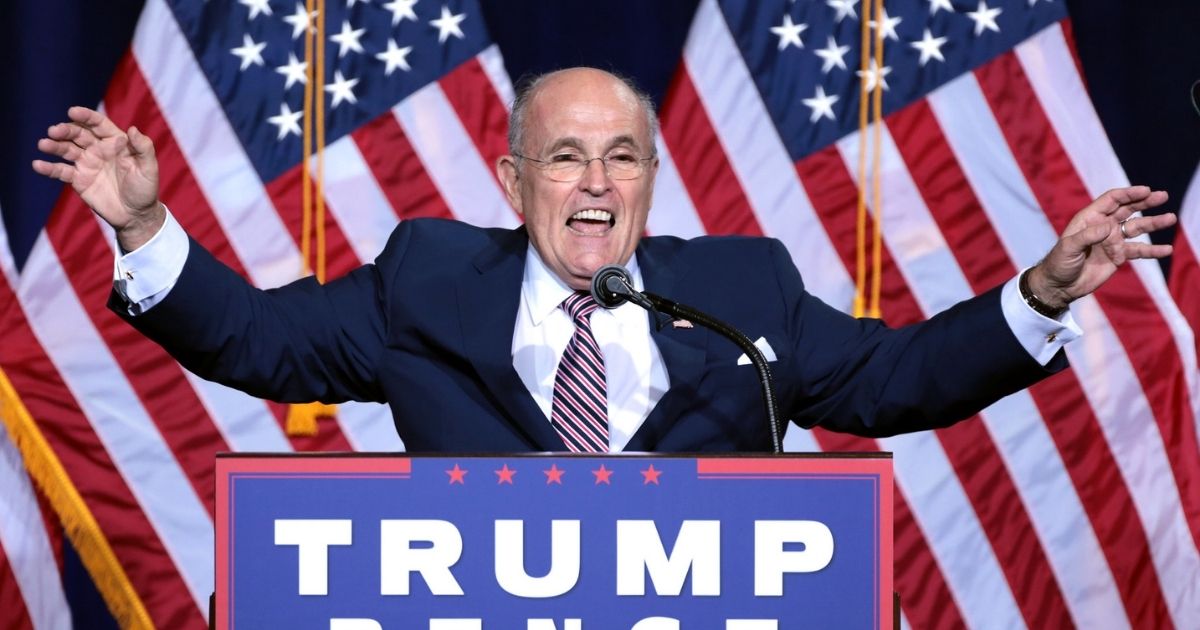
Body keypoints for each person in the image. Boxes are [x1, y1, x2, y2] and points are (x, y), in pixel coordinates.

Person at [32, 67, 1176, 453]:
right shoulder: (429, 279)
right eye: (565, 158)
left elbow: (892, 380)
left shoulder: (742, 291)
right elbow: (258, 341)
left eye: (620, 158)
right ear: (514, 181)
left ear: (651, 181)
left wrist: (1040, 295)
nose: (594, 183)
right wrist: (142, 225)